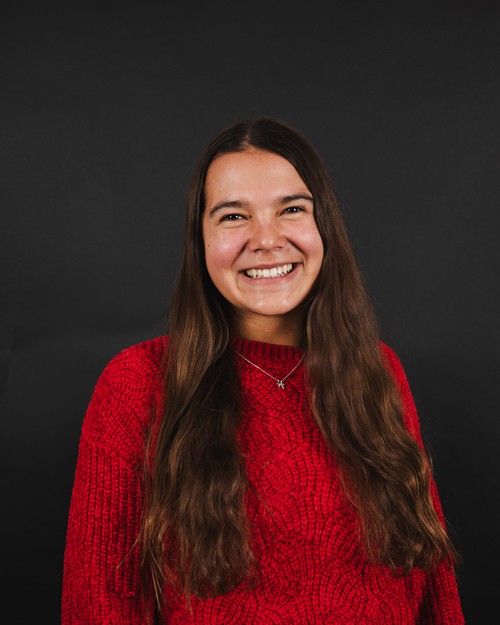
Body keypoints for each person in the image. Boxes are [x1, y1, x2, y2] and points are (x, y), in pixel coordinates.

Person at [61, 115, 465, 624]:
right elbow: (97, 605)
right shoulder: (138, 382)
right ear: (200, 241)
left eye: (291, 209)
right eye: (233, 216)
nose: (267, 239)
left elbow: (432, 580)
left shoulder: (378, 369)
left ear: (324, 227)